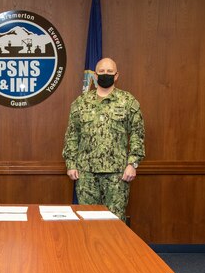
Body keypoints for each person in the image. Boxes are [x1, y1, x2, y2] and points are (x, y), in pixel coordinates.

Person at [62, 57, 145, 220]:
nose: (105, 74)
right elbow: (72, 135)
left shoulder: (128, 101)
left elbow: (137, 134)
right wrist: (71, 164)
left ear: (116, 76)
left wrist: (133, 164)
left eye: (109, 72)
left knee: (115, 222)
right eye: (101, 71)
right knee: (87, 220)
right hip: (86, 173)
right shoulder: (81, 102)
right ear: (95, 74)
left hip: (117, 174)